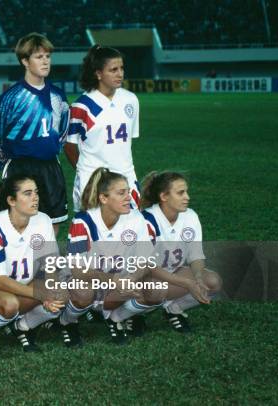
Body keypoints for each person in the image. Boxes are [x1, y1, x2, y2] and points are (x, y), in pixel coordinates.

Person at [58, 168, 211, 345]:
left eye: (129, 192)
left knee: (155, 289)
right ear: (104, 198)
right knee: (83, 292)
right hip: (88, 280)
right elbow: (78, 271)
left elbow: (146, 260)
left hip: (117, 280)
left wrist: (132, 278)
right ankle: (67, 322)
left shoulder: (136, 219)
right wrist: (114, 280)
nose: (129, 197)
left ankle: (114, 318)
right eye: (121, 193)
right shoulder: (82, 221)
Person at [0, 33, 70, 234]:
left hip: (50, 166)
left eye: (48, 56)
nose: (45, 61)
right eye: (39, 57)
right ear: (25, 61)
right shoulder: (10, 98)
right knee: (18, 224)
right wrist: (6, 164)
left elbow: (63, 131)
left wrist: (52, 149)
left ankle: (42, 264)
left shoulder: (58, 96)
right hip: (20, 168)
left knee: (52, 223)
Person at [0, 174, 64, 356]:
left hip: (27, 282)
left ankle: (22, 326)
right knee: (10, 305)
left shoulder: (43, 220)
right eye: (27, 193)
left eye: (36, 192)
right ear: (11, 200)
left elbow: (49, 265)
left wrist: (49, 289)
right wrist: (40, 295)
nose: (35, 198)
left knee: (60, 294)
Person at [141, 171, 222, 333]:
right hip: (141, 278)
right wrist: (187, 283)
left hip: (171, 273)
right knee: (155, 290)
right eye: (180, 193)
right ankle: (130, 314)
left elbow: (195, 254)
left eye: (186, 191)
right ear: (164, 196)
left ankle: (173, 309)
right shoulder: (146, 219)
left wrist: (198, 277)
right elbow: (147, 267)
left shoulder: (190, 216)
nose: (187, 197)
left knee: (212, 281)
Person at [64, 45, 141, 211]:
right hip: (93, 181)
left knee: (131, 231)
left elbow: (127, 142)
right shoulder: (82, 106)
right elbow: (69, 146)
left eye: (121, 68)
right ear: (98, 73)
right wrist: (87, 173)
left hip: (126, 176)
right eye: (113, 70)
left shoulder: (131, 100)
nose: (120, 73)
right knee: (93, 232)